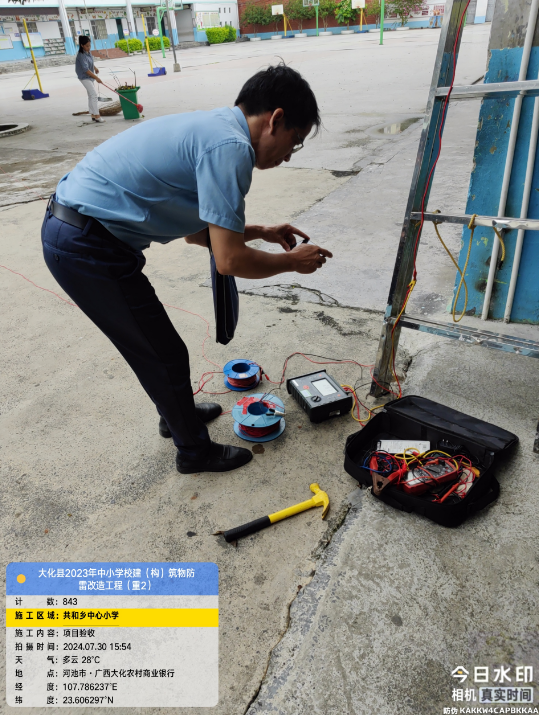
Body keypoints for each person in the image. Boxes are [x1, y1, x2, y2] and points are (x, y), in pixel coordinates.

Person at [41, 63, 333, 475]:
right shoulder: (231, 148)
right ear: (276, 119)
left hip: (78, 233)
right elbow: (229, 260)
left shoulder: (215, 129)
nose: (288, 155)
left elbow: (199, 235)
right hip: (86, 246)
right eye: (294, 142)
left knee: (154, 347)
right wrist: (291, 262)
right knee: (162, 352)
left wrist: (262, 231)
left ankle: (176, 414)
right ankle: (194, 452)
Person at [75, 35, 104, 123]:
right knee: (94, 95)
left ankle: (93, 114)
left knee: (91, 95)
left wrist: (95, 68)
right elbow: (86, 69)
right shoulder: (81, 55)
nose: (89, 47)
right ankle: (97, 116)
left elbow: (90, 62)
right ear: (82, 45)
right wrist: (97, 78)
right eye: (87, 46)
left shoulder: (88, 52)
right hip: (84, 77)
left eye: (90, 45)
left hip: (90, 77)